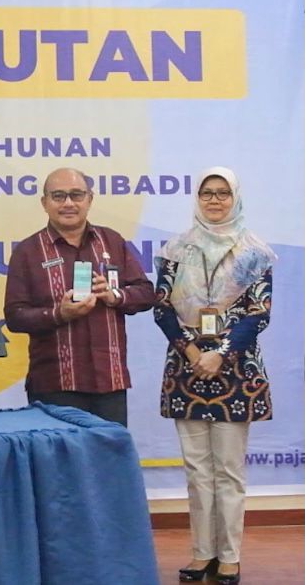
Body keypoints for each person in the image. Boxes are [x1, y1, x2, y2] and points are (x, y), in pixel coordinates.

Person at [154, 167, 274, 585]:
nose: (215, 200)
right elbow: (162, 308)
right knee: (197, 470)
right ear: (197, 198)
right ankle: (202, 552)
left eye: (223, 193)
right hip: (186, 369)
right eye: (207, 193)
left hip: (236, 372)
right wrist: (192, 351)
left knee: (228, 469)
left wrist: (219, 354)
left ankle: (230, 556)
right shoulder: (176, 249)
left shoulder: (254, 251)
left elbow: (259, 314)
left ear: (235, 198)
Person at [4, 167, 153, 426]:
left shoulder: (111, 241)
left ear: (90, 199)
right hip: (54, 383)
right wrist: (58, 314)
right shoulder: (28, 252)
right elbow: (15, 317)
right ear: (44, 203)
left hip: (109, 380)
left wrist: (115, 295)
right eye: (58, 196)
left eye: (76, 195)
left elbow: (146, 293)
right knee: (59, 453)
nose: (68, 203)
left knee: (109, 451)